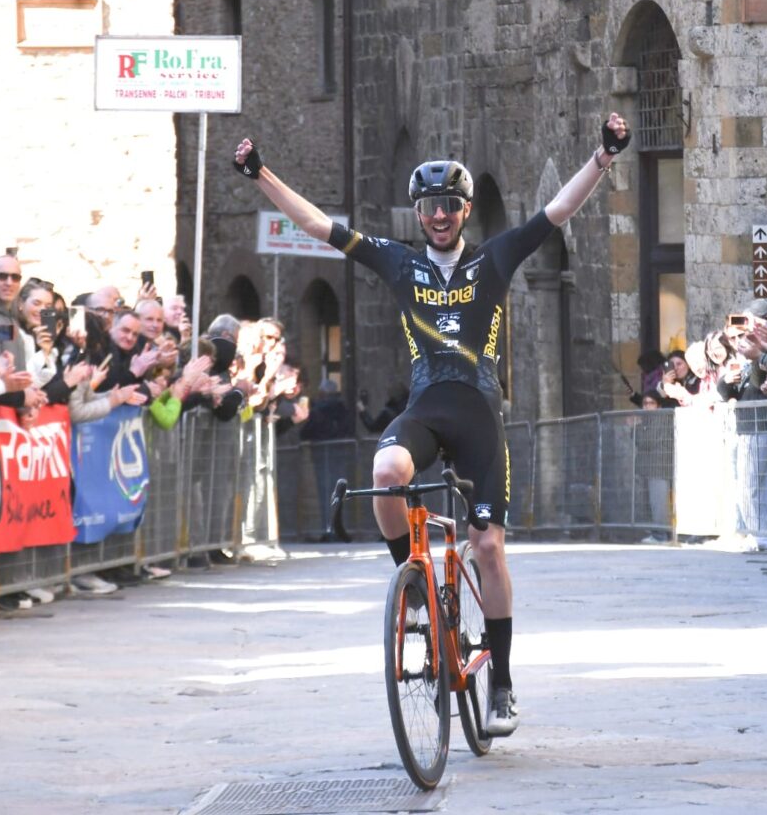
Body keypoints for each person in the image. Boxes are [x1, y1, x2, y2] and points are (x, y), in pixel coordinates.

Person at [234, 109, 632, 736]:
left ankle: (500, 679)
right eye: (429, 206)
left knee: (488, 547)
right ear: (417, 214)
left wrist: (603, 157)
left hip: (477, 413)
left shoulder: (494, 260)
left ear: (465, 210)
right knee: (386, 470)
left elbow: (556, 211)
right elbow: (317, 225)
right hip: (425, 406)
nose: (439, 215)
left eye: (450, 204)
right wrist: (261, 175)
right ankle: (413, 582)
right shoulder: (399, 262)